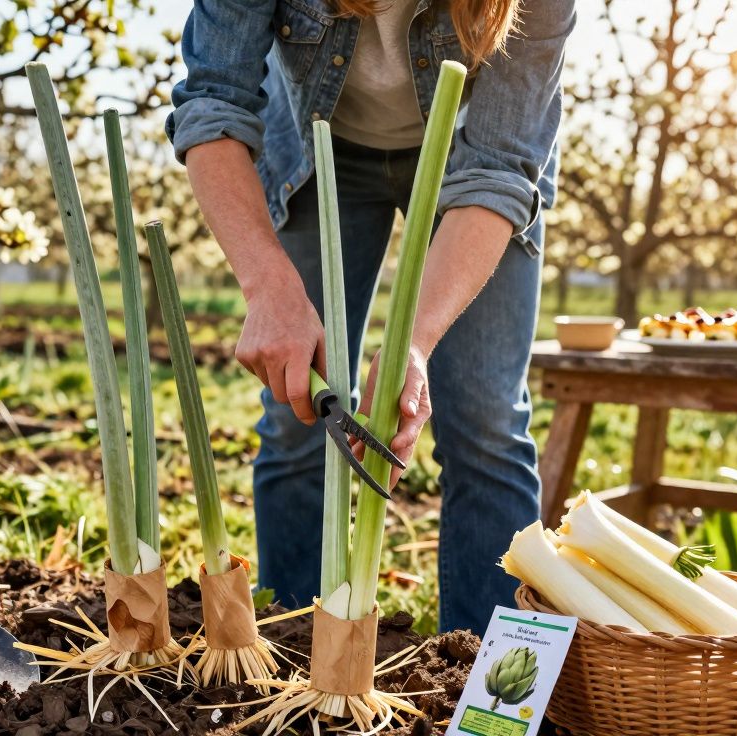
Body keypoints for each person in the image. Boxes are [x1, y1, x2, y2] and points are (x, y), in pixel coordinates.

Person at [166, 0, 576, 633]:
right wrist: (268, 287)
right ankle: (295, 656)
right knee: (299, 407)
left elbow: (499, 166)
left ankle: (488, 692)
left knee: (487, 425)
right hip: (313, 141)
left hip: (467, 162)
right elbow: (213, 103)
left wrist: (416, 341)